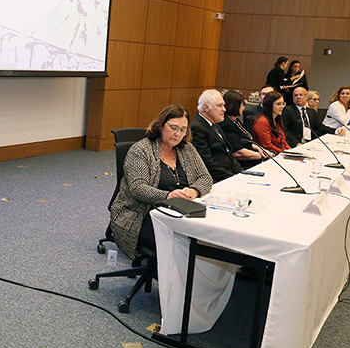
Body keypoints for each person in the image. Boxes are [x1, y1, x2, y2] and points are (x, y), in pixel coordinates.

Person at [110, 104, 212, 260]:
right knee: (186, 245)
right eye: (173, 128)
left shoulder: (187, 149)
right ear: (160, 125)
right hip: (141, 215)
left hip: (179, 211)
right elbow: (138, 189)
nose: (178, 134)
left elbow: (205, 177)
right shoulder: (141, 150)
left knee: (205, 236)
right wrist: (168, 195)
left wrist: (195, 190)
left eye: (183, 130)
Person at [191, 89, 244, 182]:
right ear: (206, 107)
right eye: (220, 106)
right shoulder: (197, 128)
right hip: (216, 180)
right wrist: (233, 179)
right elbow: (207, 163)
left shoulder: (215, 124)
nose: (224, 109)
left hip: (230, 175)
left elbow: (228, 153)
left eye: (223, 105)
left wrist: (241, 173)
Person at [221, 90, 267, 169]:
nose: (244, 107)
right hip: (241, 165)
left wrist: (259, 148)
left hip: (251, 159)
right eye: (242, 104)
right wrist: (262, 156)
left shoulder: (235, 120)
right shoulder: (226, 124)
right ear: (234, 105)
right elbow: (238, 152)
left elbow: (245, 140)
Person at [252, 91, 291, 155]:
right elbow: (267, 146)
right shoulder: (261, 122)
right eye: (278, 104)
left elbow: (283, 142)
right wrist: (284, 154)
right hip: (268, 156)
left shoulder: (278, 120)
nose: (282, 106)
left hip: (279, 154)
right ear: (269, 105)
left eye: (283, 103)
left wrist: (292, 152)